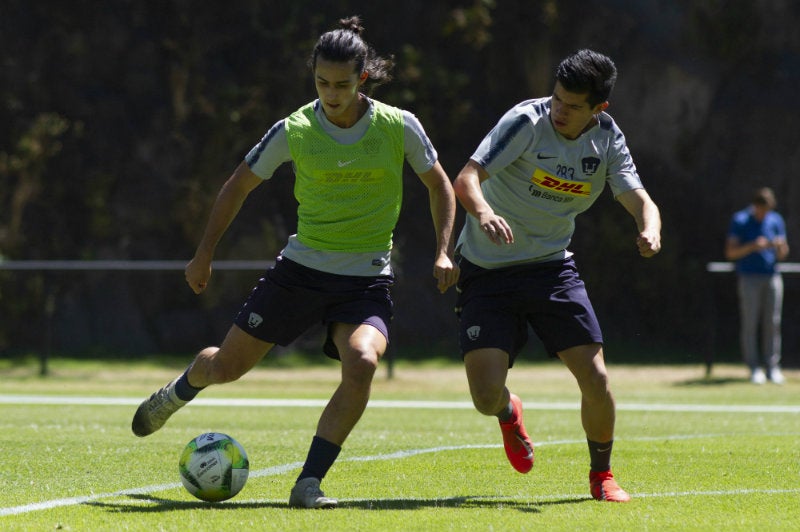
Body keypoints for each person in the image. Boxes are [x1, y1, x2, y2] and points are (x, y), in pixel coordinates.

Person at [131, 16, 458, 509]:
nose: (331, 93)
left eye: (342, 84)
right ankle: (179, 390)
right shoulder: (295, 128)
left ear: (362, 78)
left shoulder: (398, 126)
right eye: (322, 82)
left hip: (366, 278)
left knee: (364, 362)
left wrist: (442, 249)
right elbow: (237, 184)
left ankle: (308, 482)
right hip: (300, 273)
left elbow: (439, 184)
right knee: (226, 367)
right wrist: (204, 252)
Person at [452, 49, 661, 503]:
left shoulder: (606, 138)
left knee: (596, 377)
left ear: (598, 109)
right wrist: (484, 211)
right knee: (485, 397)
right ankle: (510, 412)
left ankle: (601, 477)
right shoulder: (526, 121)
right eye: (557, 99)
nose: (559, 111)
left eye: (572, 106)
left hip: (551, 269)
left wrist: (650, 228)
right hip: (488, 271)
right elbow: (466, 178)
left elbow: (640, 199)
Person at [724, 187, 789, 385]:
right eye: (762, 210)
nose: (764, 215)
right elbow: (730, 253)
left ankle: (772, 367)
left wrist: (779, 246)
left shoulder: (776, 220)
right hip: (749, 278)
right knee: (750, 323)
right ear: (755, 206)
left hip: (772, 277)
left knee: (772, 323)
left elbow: (783, 254)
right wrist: (752, 246)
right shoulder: (740, 220)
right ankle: (753, 367)